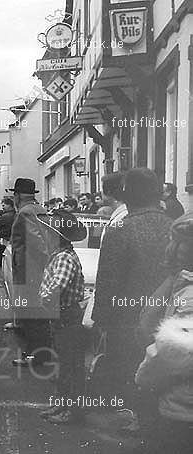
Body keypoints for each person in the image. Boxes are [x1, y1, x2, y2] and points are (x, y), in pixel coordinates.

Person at [92, 168, 173, 432]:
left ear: (127, 196)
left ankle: (140, 419)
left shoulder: (120, 229)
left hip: (128, 319)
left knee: (133, 369)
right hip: (170, 313)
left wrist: (101, 320)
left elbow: (108, 280)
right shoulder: (174, 225)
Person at [135, 213, 193, 452]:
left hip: (182, 408)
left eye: (181, 241)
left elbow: (171, 353)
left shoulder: (189, 297)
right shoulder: (182, 285)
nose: (173, 248)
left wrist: (143, 378)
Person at [36, 210, 87, 424]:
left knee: (70, 366)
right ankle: (62, 405)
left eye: (49, 232)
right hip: (63, 317)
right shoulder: (59, 256)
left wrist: (43, 300)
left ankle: (71, 411)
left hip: (67, 317)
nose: (45, 236)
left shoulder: (64, 258)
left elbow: (57, 288)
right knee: (64, 364)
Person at [9, 178, 60, 366]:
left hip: (29, 272)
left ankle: (34, 356)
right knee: (39, 315)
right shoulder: (41, 210)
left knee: (31, 315)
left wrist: (42, 264)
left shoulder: (25, 213)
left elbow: (36, 242)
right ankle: (42, 354)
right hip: (39, 271)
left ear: (18, 196)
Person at [99, 172, 128, 243]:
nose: (101, 192)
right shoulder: (122, 214)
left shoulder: (122, 218)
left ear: (108, 192)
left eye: (102, 190)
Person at [0, 197, 16, 268]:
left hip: (4, 241)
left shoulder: (6, 216)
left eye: (3, 205)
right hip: (13, 240)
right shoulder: (16, 214)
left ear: (9, 205)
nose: (2, 207)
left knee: (4, 262)